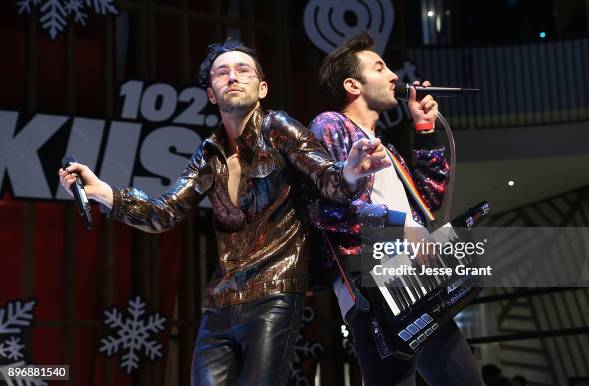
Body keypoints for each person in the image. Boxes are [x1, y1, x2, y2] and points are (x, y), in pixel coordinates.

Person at [59, 37, 390, 386]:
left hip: (275, 292)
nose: (232, 76)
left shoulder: (277, 127)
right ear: (211, 94)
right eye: (221, 73)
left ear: (262, 88)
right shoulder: (208, 154)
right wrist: (102, 192)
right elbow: (164, 212)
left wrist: (350, 172)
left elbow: (326, 177)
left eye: (243, 70)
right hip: (220, 301)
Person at [307, 32, 484, 386]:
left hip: (416, 280)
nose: (393, 76)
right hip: (372, 284)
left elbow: (429, 201)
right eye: (380, 67)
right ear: (352, 85)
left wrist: (424, 128)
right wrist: (401, 227)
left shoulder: (385, 149)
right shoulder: (330, 125)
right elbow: (326, 208)